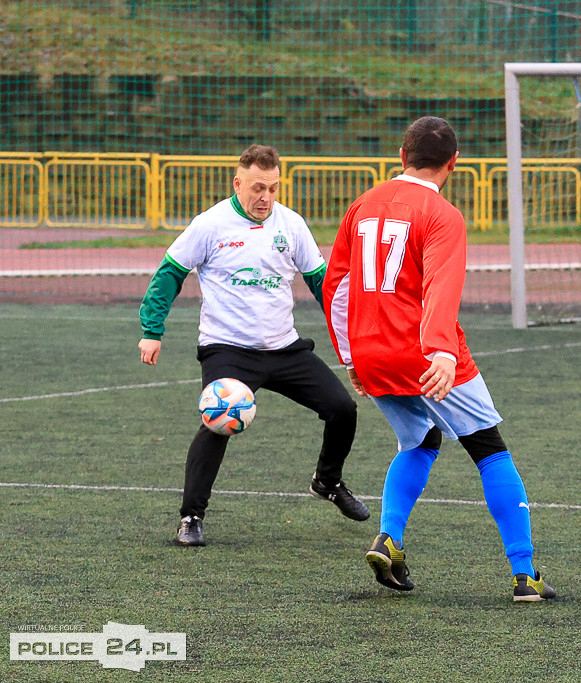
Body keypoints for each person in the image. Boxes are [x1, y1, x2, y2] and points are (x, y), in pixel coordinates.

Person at [323, 117, 555, 602]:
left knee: (421, 441)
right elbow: (441, 289)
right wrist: (443, 352)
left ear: (400, 155)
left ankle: (389, 538)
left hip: (369, 352)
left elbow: (337, 287)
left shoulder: (361, 206)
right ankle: (525, 574)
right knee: (489, 448)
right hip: (425, 354)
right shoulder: (442, 213)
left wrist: (350, 357)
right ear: (454, 162)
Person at [138, 143, 368, 547]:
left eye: (274, 188)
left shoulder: (291, 225)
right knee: (218, 423)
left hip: (285, 348)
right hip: (227, 349)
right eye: (258, 188)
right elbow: (169, 273)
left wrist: (355, 337)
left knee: (342, 408)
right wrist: (151, 330)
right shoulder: (210, 224)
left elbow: (322, 284)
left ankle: (327, 481)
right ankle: (191, 517)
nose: (266, 197)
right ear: (238, 182)